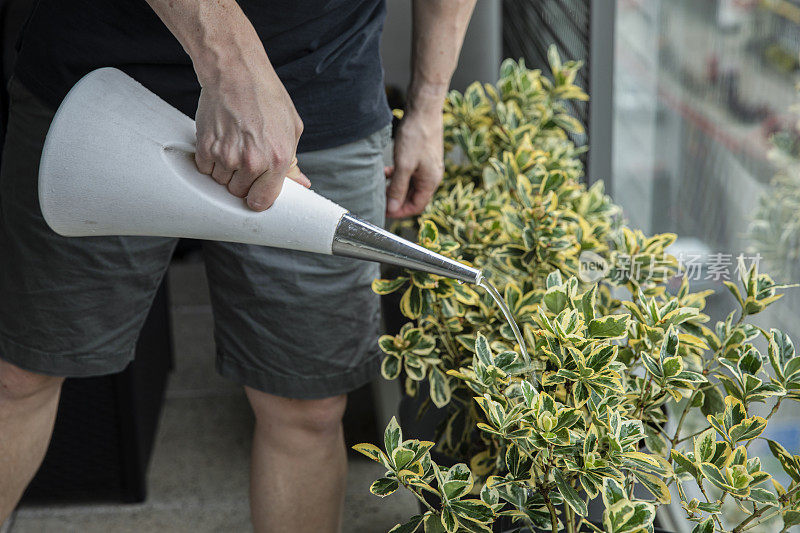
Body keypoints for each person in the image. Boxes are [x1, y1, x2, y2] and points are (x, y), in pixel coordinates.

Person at [0, 1, 475, 531]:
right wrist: (231, 65)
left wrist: (430, 105)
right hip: (104, 79)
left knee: (307, 405)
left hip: (318, 86)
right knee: (20, 373)